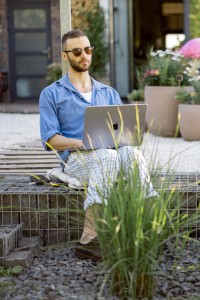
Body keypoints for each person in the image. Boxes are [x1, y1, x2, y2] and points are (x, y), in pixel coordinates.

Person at [39, 29, 157, 261]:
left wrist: (131, 135)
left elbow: (124, 131)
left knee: (131, 152)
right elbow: (50, 139)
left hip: (110, 156)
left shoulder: (109, 92)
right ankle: (89, 239)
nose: (84, 55)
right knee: (107, 156)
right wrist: (83, 143)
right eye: (77, 51)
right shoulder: (51, 94)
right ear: (65, 56)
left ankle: (149, 228)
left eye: (88, 49)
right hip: (76, 160)